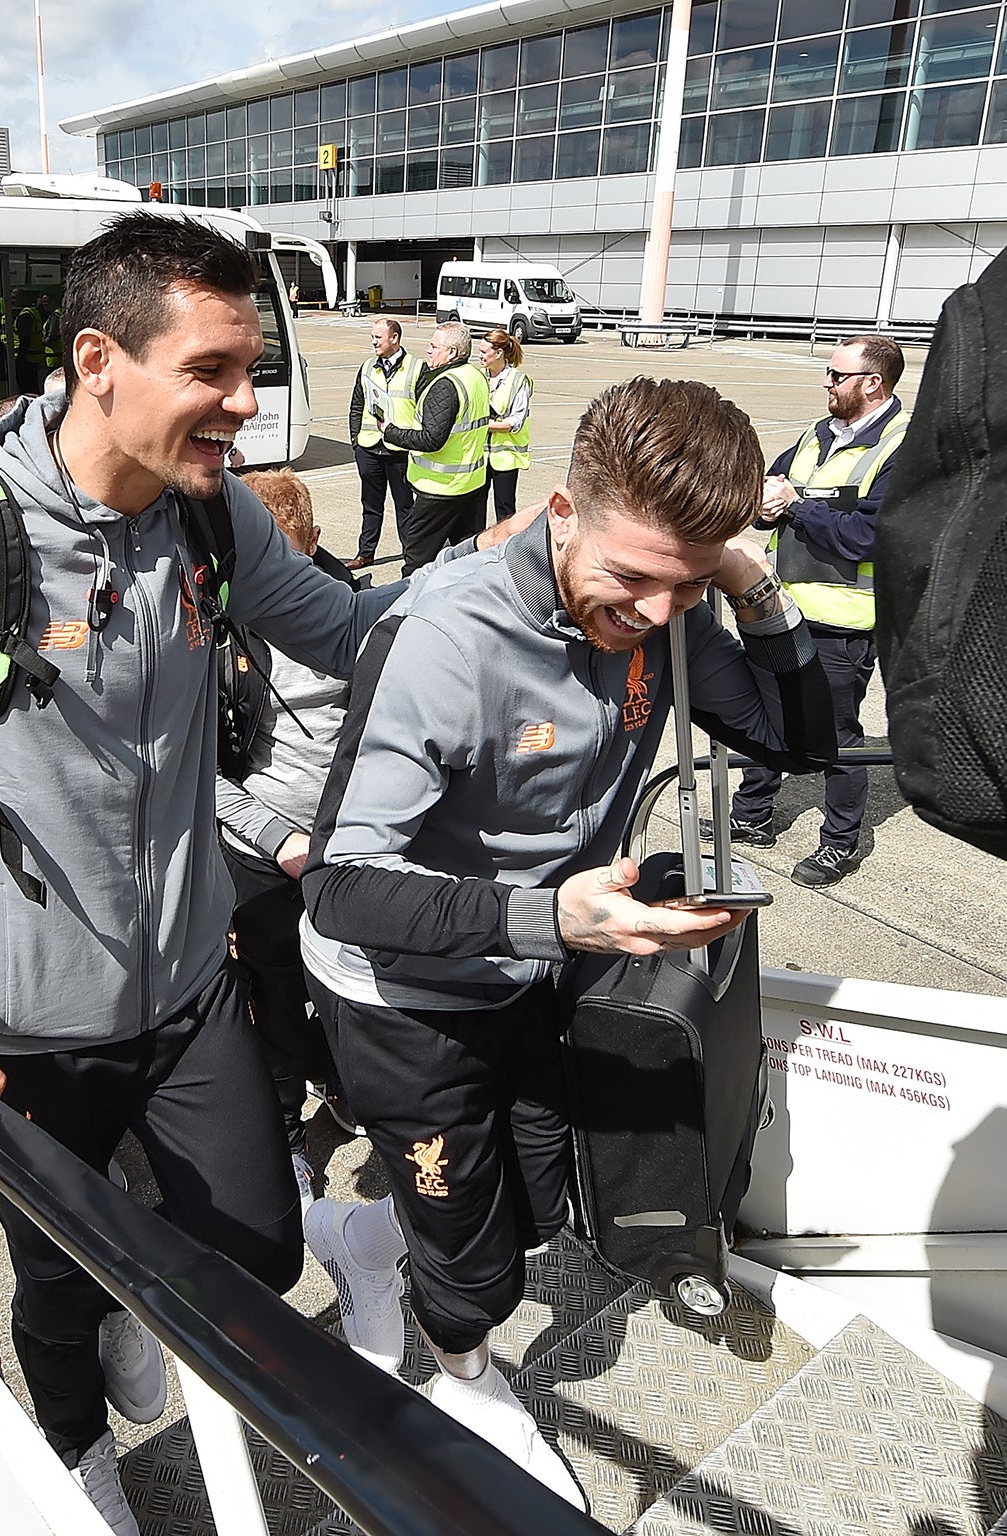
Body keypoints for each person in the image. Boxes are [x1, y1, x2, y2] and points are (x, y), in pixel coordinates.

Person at [0, 212, 432, 1536]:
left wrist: (526, 612)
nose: (247, 401)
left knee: (257, 1256)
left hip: (185, 995)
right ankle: (75, 1451)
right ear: (100, 361)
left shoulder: (214, 515)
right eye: (215, 371)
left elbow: (352, 635)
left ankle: (138, 1319)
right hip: (15, 1019)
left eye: (251, 367)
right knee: (58, 1288)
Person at [299, 378, 837, 1505]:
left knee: (542, 1203)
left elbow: (794, 741)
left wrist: (744, 579)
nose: (652, 611)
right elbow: (341, 887)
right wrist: (556, 916)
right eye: (632, 576)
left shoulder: (673, 604)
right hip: (403, 996)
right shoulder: (444, 635)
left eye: (684, 581)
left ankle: (364, 1234)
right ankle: (464, 1378)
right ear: (558, 511)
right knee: (478, 1259)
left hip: (537, 963)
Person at [215, 469, 350, 1213]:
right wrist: (278, 837)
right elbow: (197, 773)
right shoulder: (216, 630)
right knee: (271, 1000)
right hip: (258, 851)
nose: (282, 597)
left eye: (290, 565)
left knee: (350, 988)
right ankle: (287, 1137)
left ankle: (342, 1081)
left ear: (315, 544)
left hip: (350, 847)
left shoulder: (355, 617)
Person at [733, 334, 909, 889]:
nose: (826, 383)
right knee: (765, 714)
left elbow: (869, 537)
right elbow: (775, 496)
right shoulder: (815, 434)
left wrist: (798, 508)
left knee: (835, 737)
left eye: (837, 375)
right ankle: (753, 813)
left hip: (846, 621)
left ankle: (838, 844)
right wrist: (763, 505)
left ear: (872, 383)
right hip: (781, 608)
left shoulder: (903, 449)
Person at [379, 321, 489, 575]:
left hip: (440, 488)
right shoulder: (475, 377)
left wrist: (390, 432)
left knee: (416, 558)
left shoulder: (446, 385)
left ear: (452, 352)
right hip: (469, 484)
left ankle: (407, 608)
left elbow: (431, 440)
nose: (428, 351)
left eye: (433, 346)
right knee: (464, 557)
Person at [347, 318, 420, 572]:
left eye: (378, 337)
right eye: (372, 336)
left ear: (395, 338)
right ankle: (365, 554)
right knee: (370, 505)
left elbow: (423, 409)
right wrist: (356, 440)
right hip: (369, 448)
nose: (373, 341)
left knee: (405, 506)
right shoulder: (368, 366)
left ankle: (411, 555)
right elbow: (357, 404)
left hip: (399, 450)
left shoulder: (416, 367)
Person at [480, 330, 532, 524]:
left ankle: (505, 550)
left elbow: (516, 420)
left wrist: (487, 426)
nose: (480, 355)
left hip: (506, 458)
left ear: (498, 353)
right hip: (479, 457)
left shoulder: (518, 381)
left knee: (505, 509)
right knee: (475, 507)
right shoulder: (478, 377)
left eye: (484, 351)